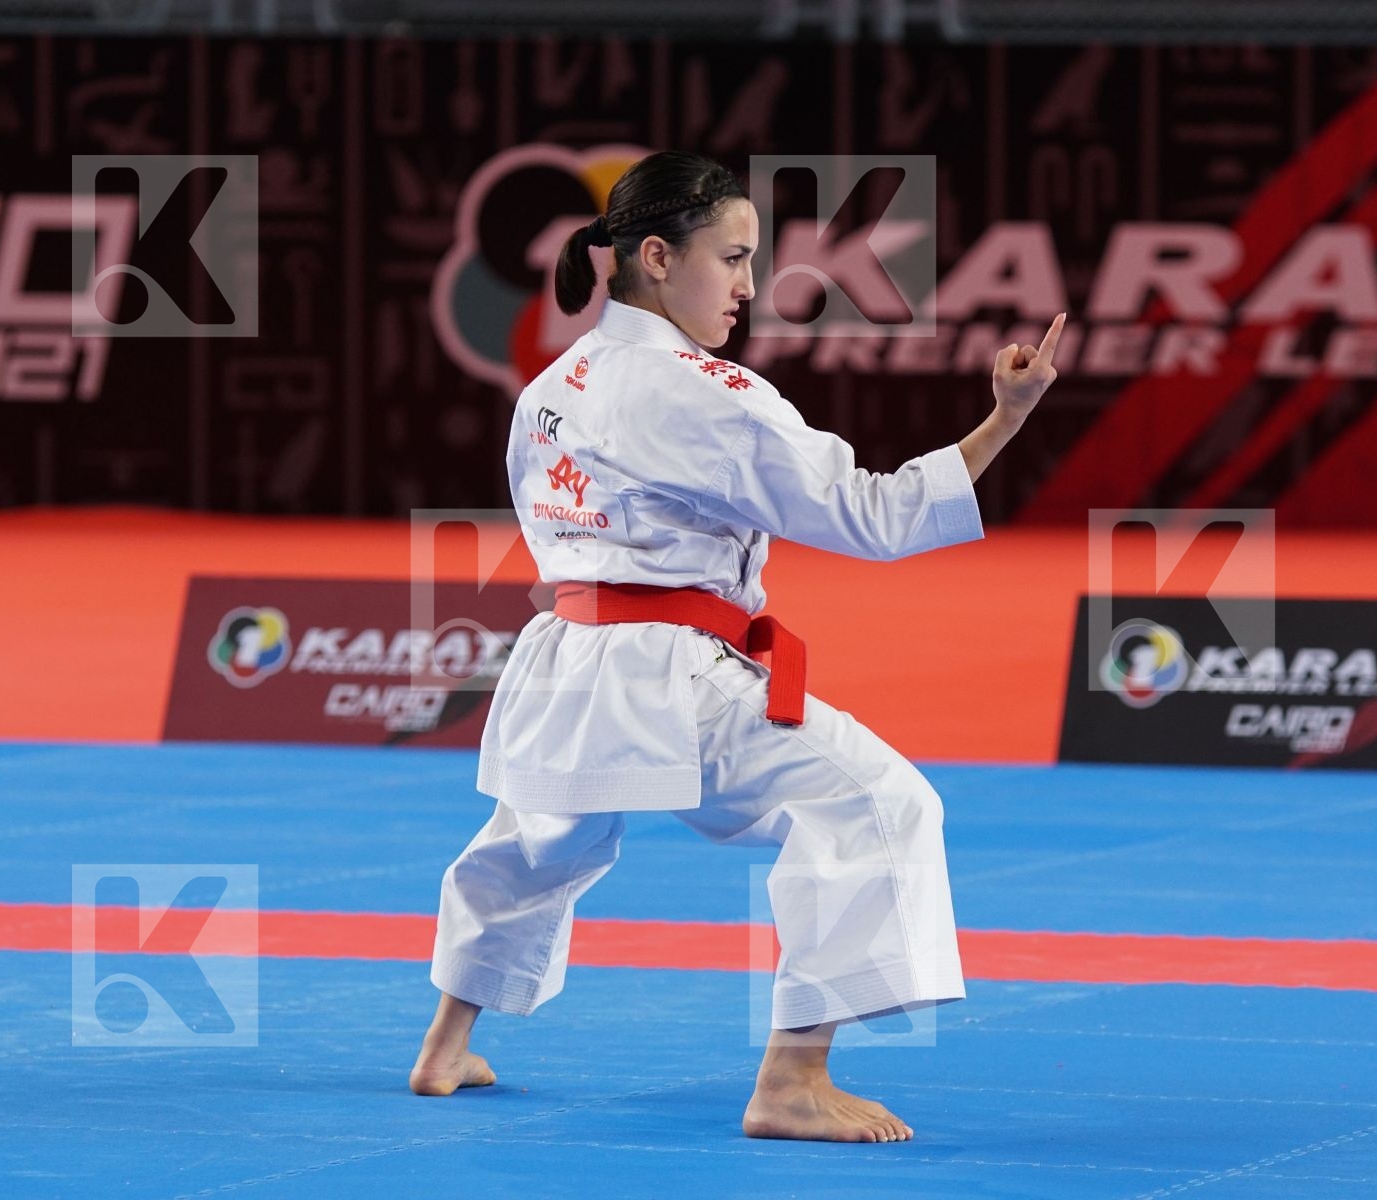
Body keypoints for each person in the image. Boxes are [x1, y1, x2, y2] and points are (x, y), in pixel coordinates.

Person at [408, 149, 1065, 1144]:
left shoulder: (551, 385)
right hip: (674, 675)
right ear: (659, 258)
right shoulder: (702, 390)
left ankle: (445, 1044)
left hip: (566, 660)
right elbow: (872, 515)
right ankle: (794, 1079)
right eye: (736, 257)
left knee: (538, 842)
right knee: (875, 805)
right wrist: (1002, 422)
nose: (752, 287)